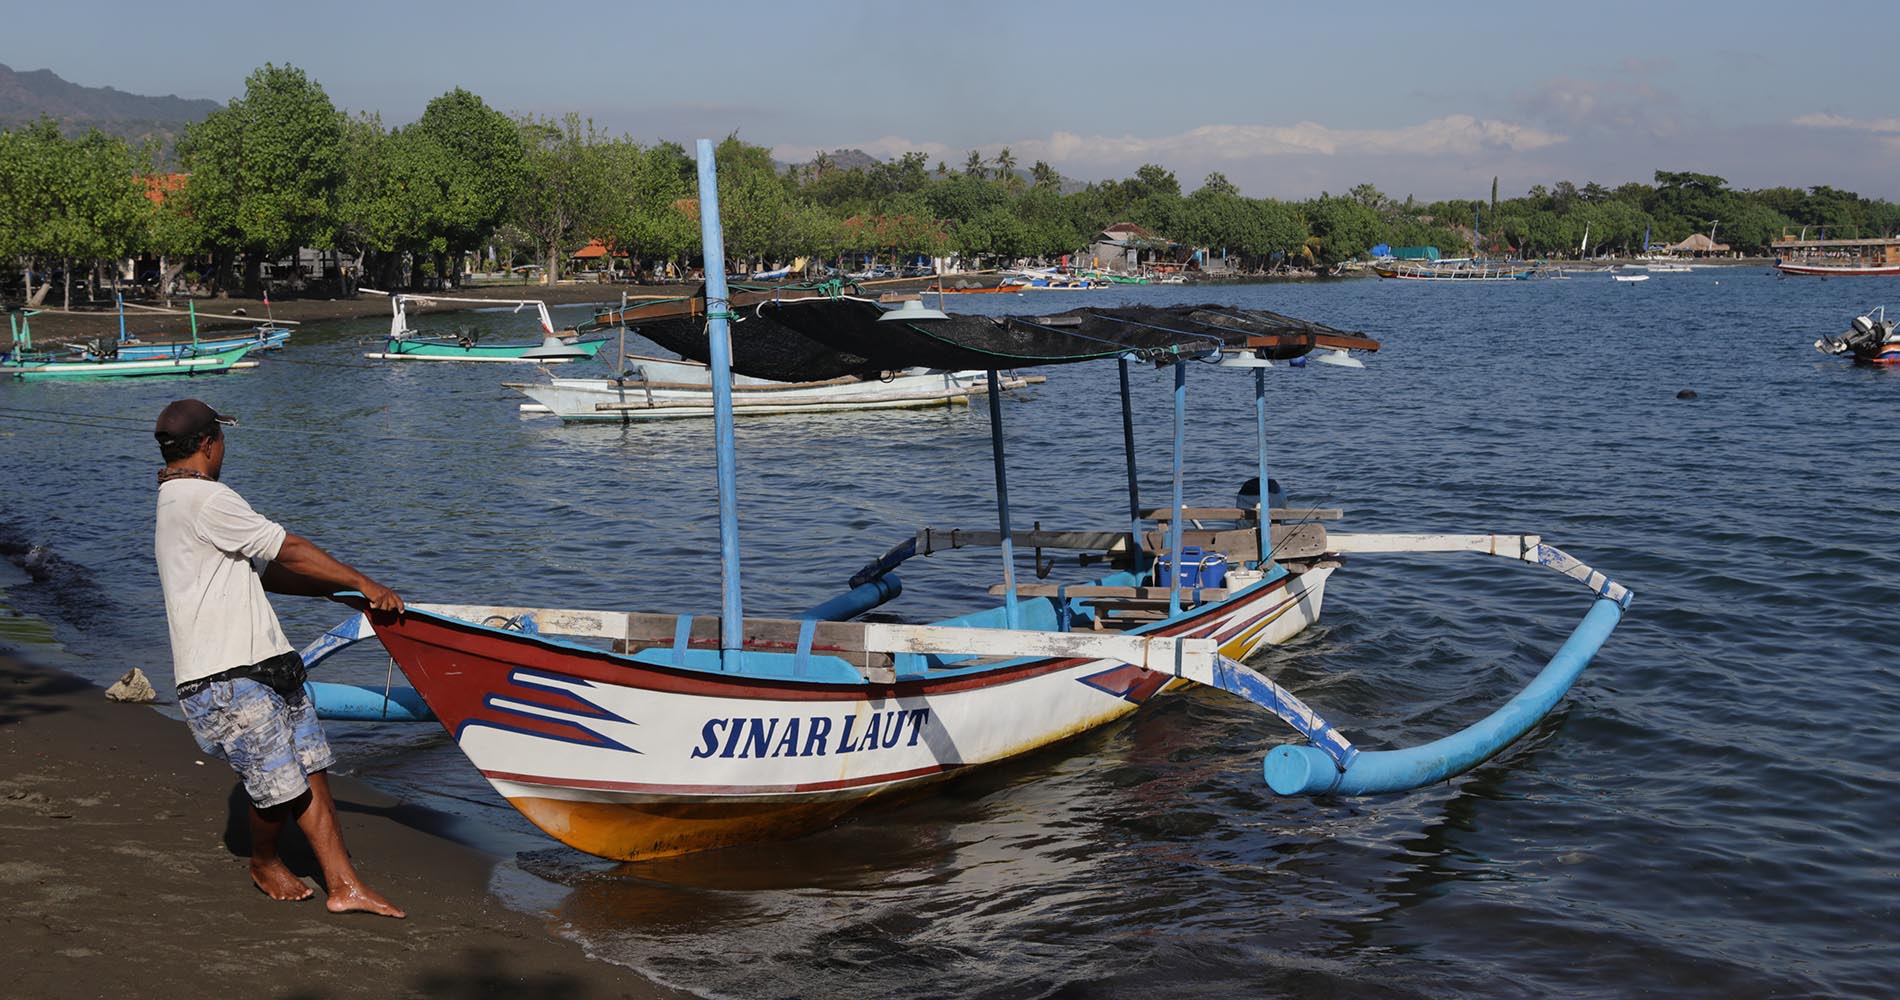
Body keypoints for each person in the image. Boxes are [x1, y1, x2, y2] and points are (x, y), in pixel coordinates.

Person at [151, 399, 405, 918]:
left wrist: (333, 593)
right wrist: (363, 581)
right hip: (225, 675)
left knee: (312, 771)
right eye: (221, 438)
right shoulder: (205, 499)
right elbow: (286, 547)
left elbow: (262, 572)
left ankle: (344, 885)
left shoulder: (176, 501)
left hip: (266, 661)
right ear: (208, 444)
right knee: (277, 788)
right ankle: (263, 861)